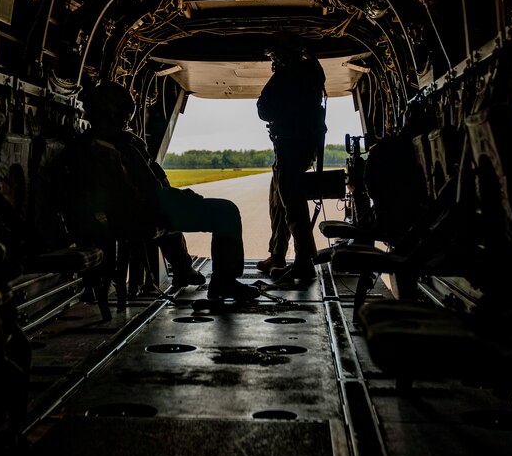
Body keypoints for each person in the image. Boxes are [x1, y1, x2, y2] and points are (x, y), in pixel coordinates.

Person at [68, 81, 259, 302]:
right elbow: (140, 190)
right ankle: (223, 282)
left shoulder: (98, 144)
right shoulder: (110, 148)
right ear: (109, 113)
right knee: (226, 212)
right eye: (122, 116)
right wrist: (175, 200)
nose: (125, 122)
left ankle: (183, 269)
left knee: (181, 214)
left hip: (142, 207)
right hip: (144, 210)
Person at [256, 31, 327, 284]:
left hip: (291, 147)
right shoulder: (311, 71)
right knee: (280, 200)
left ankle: (304, 261)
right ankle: (277, 255)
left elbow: (264, 109)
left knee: (292, 203)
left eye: (276, 56)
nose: (274, 60)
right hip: (299, 146)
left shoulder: (289, 75)